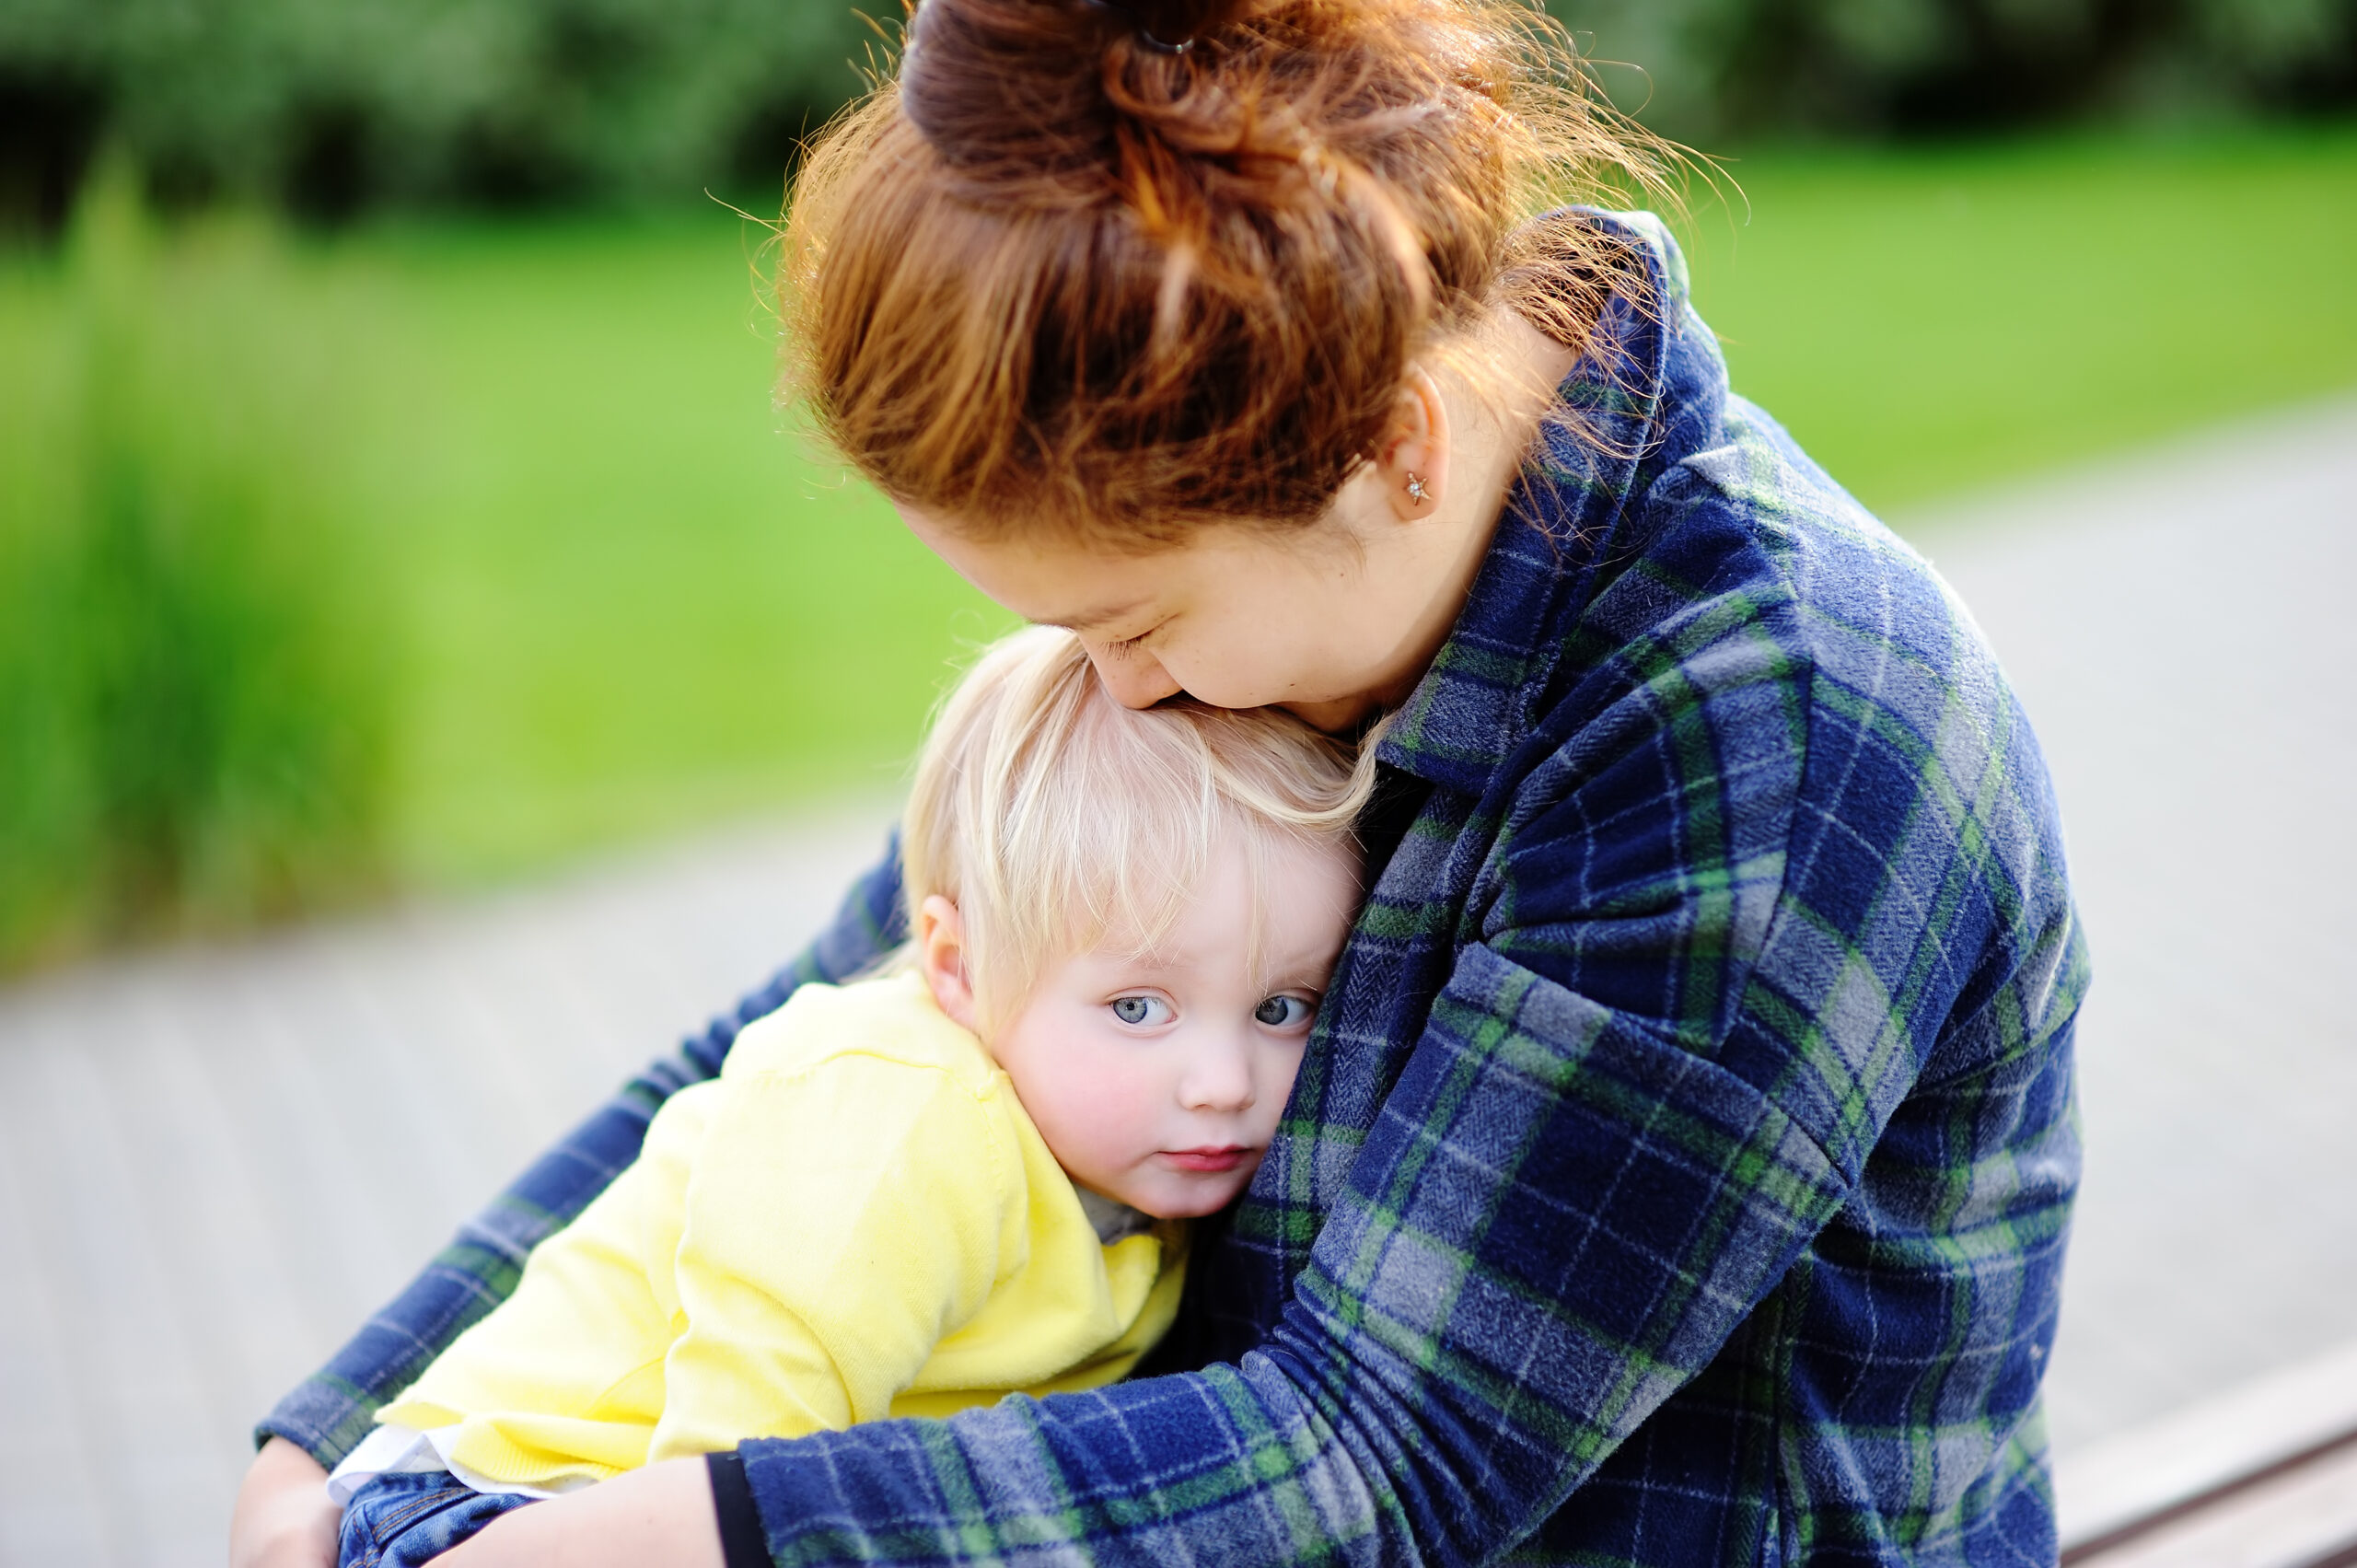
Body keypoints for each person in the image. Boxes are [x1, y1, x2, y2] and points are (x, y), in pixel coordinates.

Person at [231, 0, 2088, 1559]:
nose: (1107, 687)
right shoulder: (1275, 589)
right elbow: (852, 1010)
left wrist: (692, 1528)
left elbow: (1379, 1464)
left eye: (1135, 619)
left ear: (1387, 445)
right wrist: (346, 1434)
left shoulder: (1772, 724)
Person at [319, 625, 1369, 1566]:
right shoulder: (897, 1118)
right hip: (522, 1500)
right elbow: (728, 1465)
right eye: (1140, 1008)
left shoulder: (1128, 1156)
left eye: (1282, 1007)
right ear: (956, 963)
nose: (1226, 1082)